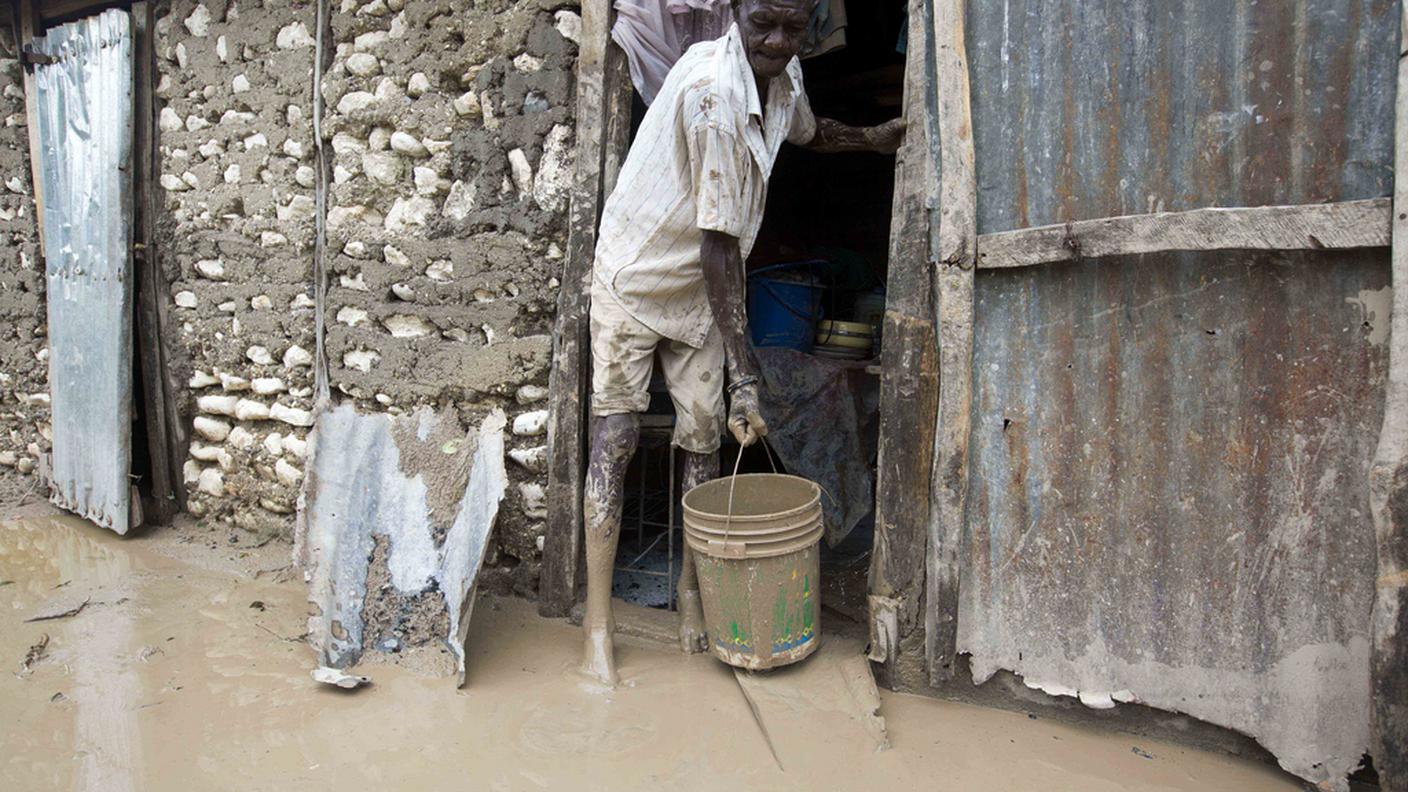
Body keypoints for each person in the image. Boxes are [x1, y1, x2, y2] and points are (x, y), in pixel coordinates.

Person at [581, 0, 904, 685]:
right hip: (636, 277)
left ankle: (694, 600)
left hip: (699, 291)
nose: (779, 41)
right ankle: (599, 628)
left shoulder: (782, 78)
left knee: (702, 442)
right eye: (764, 25)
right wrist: (747, 375)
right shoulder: (712, 97)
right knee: (615, 438)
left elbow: (809, 135)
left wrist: (872, 140)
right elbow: (720, 250)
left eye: (794, 28)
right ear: (733, 11)